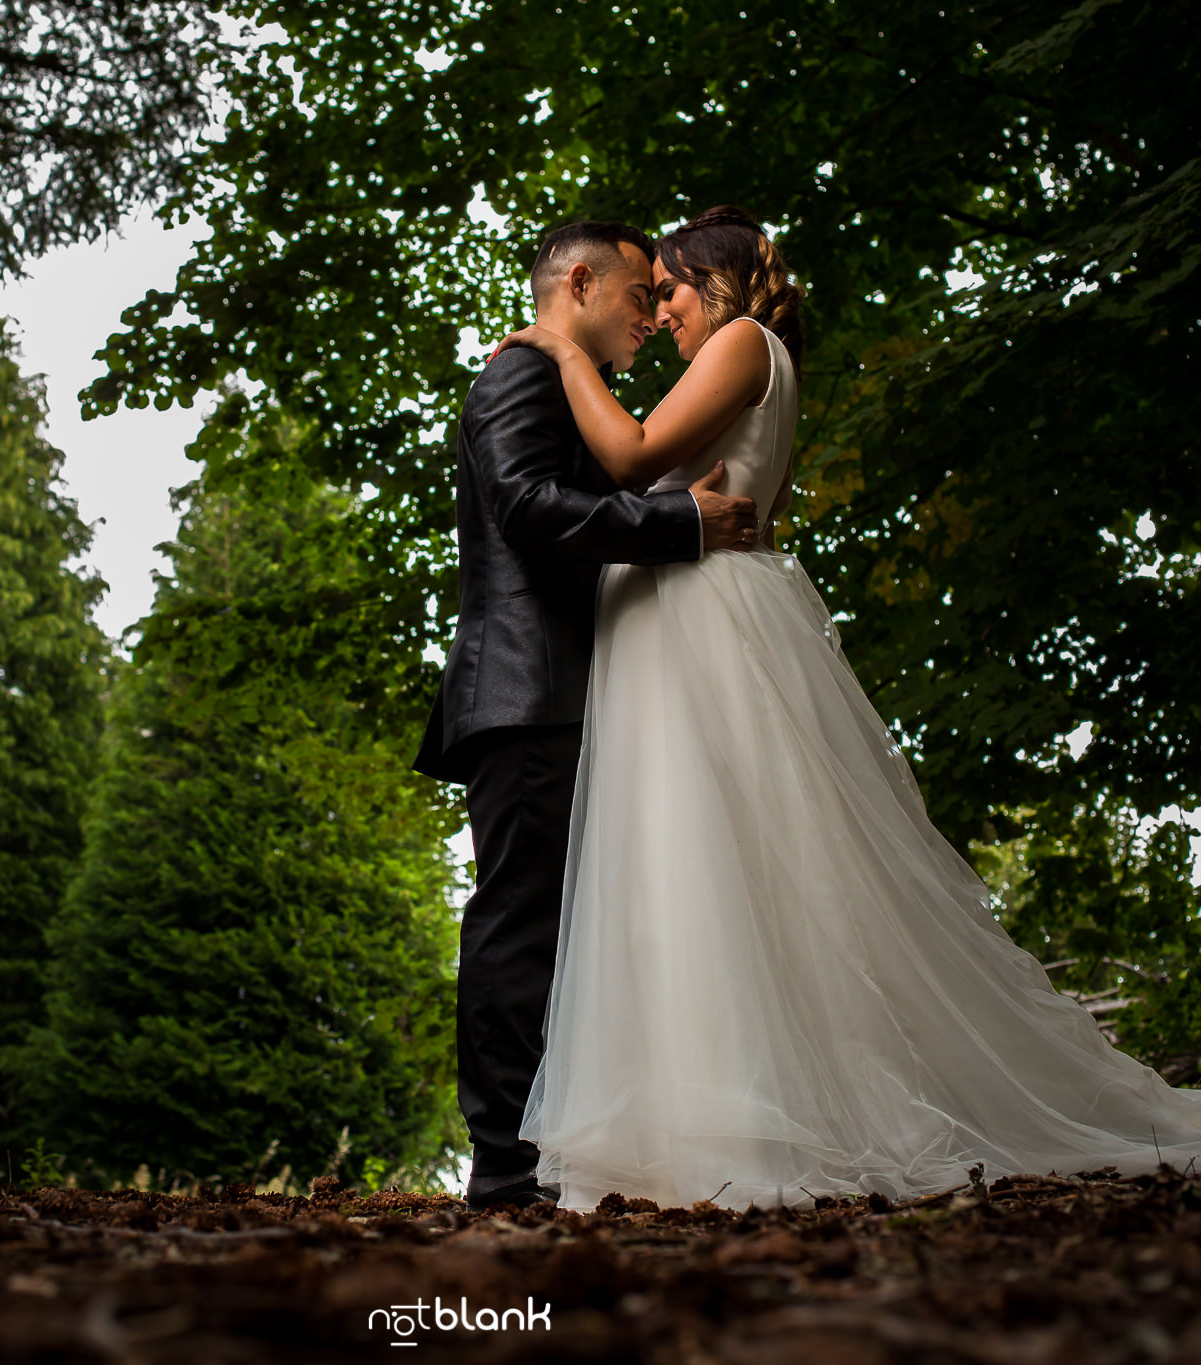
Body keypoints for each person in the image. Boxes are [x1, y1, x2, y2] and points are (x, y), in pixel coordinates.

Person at [498, 206, 1201, 1212]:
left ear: (715, 281)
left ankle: (742, 1119)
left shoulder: (742, 342)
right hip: (683, 612)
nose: (663, 313)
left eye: (671, 290)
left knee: (717, 851)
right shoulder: (745, 349)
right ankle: (689, 1118)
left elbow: (632, 458)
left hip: (702, 619)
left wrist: (563, 353)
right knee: (687, 860)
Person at [412, 220, 760, 1211]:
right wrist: (679, 521)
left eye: (662, 299)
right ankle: (506, 1168)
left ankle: (552, 1155)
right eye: (635, 297)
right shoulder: (520, 376)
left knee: (564, 930)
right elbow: (524, 508)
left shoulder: (564, 386)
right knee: (519, 926)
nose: (651, 317)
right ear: (575, 282)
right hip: (527, 694)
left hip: (563, 690)